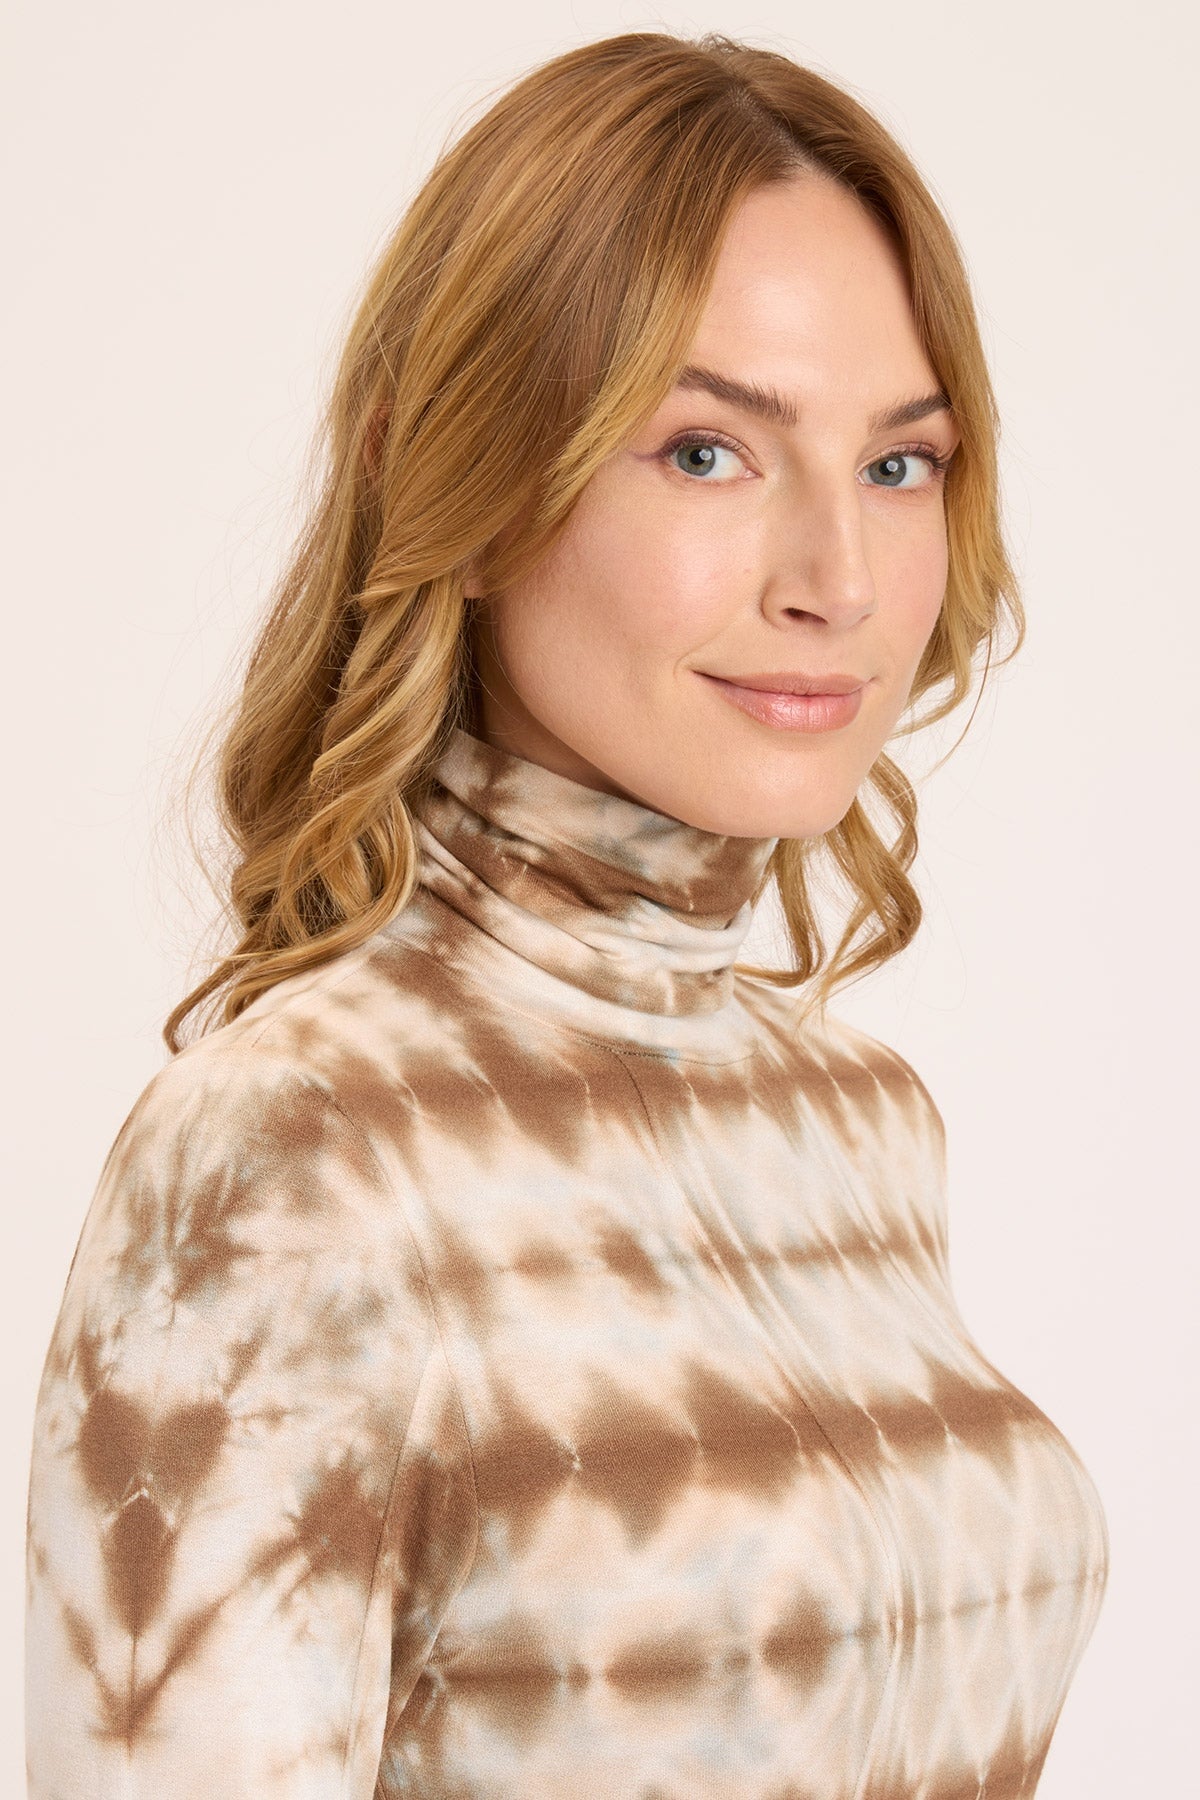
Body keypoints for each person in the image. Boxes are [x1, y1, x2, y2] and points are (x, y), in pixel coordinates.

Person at [24, 28, 1109, 1799]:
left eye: (899, 465)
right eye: (708, 452)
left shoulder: (855, 1123)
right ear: (454, 489)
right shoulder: (295, 1151)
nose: (838, 579)